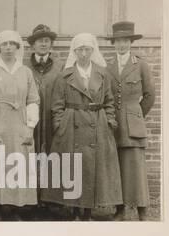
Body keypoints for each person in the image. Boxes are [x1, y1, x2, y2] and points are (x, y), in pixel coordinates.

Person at [47, 33, 122, 219]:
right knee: (73, 167)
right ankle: (72, 209)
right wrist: (60, 125)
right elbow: (57, 105)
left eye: (87, 49)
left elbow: (109, 101)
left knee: (92, 169)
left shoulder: (102, 74)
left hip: (97, 124)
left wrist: (110, 122)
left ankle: (88, 210)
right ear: (74, 52)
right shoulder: (65, 76)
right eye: (80, 50)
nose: (83, 54)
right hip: (71, 126)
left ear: (92, 51)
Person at [0, 30, 40, 218]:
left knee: (17, 164)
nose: (9, 47)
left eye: (12, 44)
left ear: (18, 48)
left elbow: (33, 100)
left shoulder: (25, 71)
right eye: (5, 44)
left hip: (19, 122)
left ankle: (15, 208)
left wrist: (30, 125)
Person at [105, 20, 155, 221]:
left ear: (131, 42)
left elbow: (150, 95)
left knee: (135, 167)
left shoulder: (140, 64)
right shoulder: (108, 66)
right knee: (117, 166)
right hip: (114, 124)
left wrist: (136, 115)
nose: (121, 45)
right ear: (113, 43)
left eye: (125, 41)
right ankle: (120, 209)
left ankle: (142, 209)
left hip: (133, 124)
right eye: (118, 41)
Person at [26, 24, 60, 156]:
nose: (44, 44)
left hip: (51, 118)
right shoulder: (24, 66)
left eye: (47, 41)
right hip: (29, 119)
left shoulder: (59, 66)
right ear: (33, 45)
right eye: (40, 41)